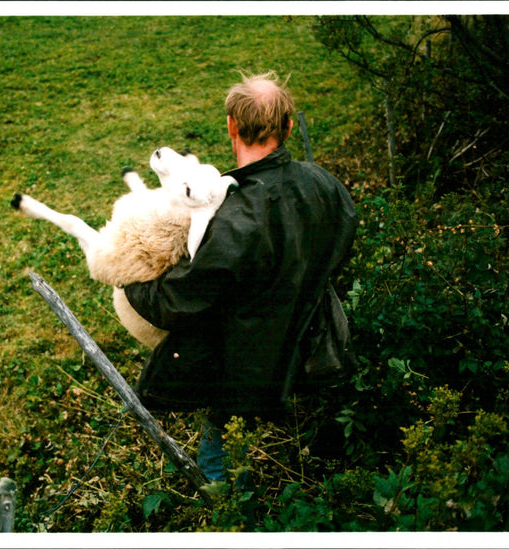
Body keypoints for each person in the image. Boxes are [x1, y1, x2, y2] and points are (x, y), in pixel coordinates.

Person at [123, 71, 358, 482]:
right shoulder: (325, 185)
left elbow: (178, 302)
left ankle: (228, 511)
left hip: (247, 369)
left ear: (231, 126)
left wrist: (127, 275)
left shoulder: (235, 219)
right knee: (326, 462)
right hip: (315, 347)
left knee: (221, 461)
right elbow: (341, 239)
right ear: (289, 127)